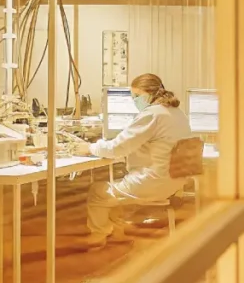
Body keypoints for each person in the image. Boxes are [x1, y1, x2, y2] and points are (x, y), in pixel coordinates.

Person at [73, 74, 193, 249]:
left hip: (155, 182)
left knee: (98, 192)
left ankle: (98, 236)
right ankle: (117, 232)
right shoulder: (176, 112)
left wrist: (89, 148)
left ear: (149, 94)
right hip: (174, 181)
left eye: (136, 96)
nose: (134, 100)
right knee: (116, 184)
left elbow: (117, 148)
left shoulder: (152, 114)